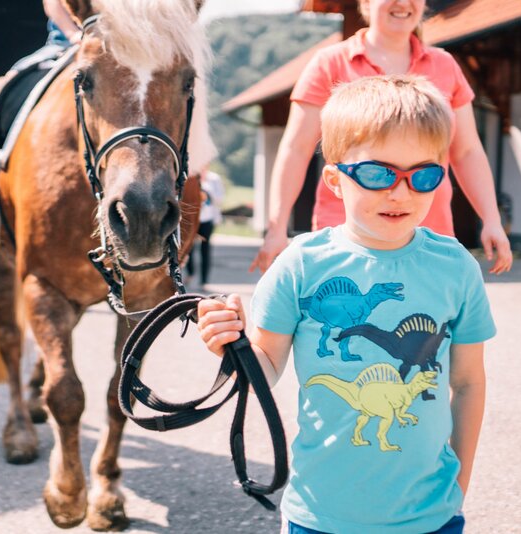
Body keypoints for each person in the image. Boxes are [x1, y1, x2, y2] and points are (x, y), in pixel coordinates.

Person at [198, 75, 494, 533]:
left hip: (432, 515)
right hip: (320, 515)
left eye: (423, 175)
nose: (400, 193)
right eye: (378, 174)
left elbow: (469, 382)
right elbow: (264, 368)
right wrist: (229, 345)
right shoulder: (300, 264)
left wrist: (461, 481)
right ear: (335, 180)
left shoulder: (456, 267)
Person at [250, 0, 512, 276]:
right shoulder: (330, 63)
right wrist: (277, 227)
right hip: (347, 235)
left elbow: (467, 151)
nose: (402, 3)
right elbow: (296, 148)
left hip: (427, 230)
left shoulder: (445, 65)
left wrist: (491, 219)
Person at [0, 0, 81, 186]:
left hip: (115, 47)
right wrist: (74, 35)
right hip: (63, 44)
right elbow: (52, 4)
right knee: (12, 79)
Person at [186, 169, 225, 288]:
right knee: (188, 248)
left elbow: (220, 199)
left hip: (207, 220)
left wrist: (207, 189)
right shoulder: (190, 176)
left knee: (205, 250)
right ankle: (190, 273)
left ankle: (204, 279)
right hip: (192, 220)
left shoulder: (214, 179)